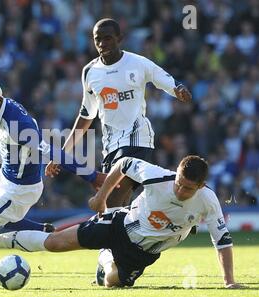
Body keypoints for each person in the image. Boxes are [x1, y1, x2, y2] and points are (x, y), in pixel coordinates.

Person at [0, 155, 243, 289]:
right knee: (55, 243)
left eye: (187, 189)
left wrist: (228, 280)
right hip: (120, 222)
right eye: (178, 183)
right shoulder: (157, 177)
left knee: (110, 282)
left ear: (200, 186)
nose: (179, 190)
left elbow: (222, 241)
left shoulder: (208, 201)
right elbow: (123, 164)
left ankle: (105, 257)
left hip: (142, 254)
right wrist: (101, 198)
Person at [0, 78, 105, 289]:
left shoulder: (18, 125)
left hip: (20, 189)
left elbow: (53, 151)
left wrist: (92, 176)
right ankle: (40, 229)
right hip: (5, 176)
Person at [46, 18, 192, 209]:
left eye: (107, 38)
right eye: (97, 39)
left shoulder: (137, 63)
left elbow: (163, 78)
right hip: (110, 146)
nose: (102, 44)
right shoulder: (90, 72)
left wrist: (178, 90)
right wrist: (62, 153)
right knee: (117, 208)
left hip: (136, 138)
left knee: (110, 201)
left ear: (119, 38)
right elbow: (86, 115)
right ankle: (160, 220)